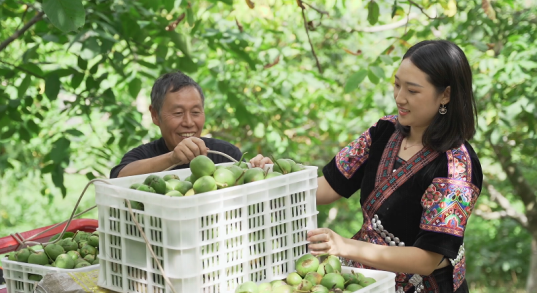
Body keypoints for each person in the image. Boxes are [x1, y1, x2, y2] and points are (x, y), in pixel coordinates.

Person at [250, 40, 482, 293]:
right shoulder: (383, 131)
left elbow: (428, 259)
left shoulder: (457, 166)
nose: (399, 98)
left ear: (445, 94)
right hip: (368, 281)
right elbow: (326, 188)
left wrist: (345, 247)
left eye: (413, 91)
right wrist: (271, 179)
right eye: (397, 85)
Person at [110, 71, 243, 178]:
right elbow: (119, 178)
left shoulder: (225, 154)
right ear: (155, 115)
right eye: (178, 113)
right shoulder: (143, 156)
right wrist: (172, 158)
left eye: (195, 112)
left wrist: (259, 168)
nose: (189, 123)